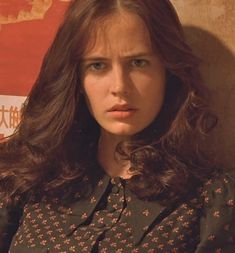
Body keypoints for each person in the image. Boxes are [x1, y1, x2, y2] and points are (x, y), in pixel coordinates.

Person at [0, 0, 235, 252]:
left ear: (168, 71)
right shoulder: (30, 176)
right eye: (98, 65)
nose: (119, 86)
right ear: (77, 79)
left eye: (138, 63)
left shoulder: (212, 201)